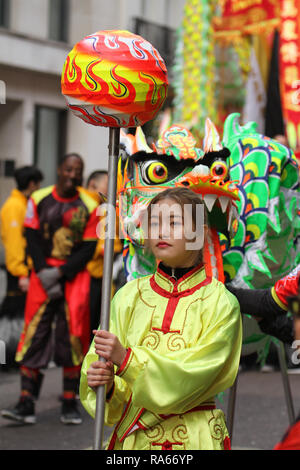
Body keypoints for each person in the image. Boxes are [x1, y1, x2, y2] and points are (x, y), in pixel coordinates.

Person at [80, 187, 242, 450]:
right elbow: (100, 379)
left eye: (174, 223)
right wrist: (106, 384)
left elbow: (197, 373)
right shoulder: (128, 296)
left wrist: (127, 361)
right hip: (134, 440)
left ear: (199, 233)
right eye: (153, 223)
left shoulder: (220, 303)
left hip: (194, 438)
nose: (160, 232)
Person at [1, 153, 98, 425]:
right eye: (68, 169)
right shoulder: (38, 198)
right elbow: (30, 235)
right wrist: (43, 271)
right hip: (42, 276)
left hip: (73, 278)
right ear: (59, 169)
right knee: (34, 335)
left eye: (78, 171)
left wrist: (60, 273)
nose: (72, 174)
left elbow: (89, 247)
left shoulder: (89, 204)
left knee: (73, 337)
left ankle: (69, 402)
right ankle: (25, 402)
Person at [0, 166, 43, 367]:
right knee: (10, 319)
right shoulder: (15, 206)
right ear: (32, 184)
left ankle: (12, 358)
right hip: (18, 273)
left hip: (22, 271)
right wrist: (21, 273)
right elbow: (15, 245)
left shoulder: (21, 204)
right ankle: (7, 359)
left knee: (16, 318)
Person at [83, 170, 123, 337]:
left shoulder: (106, 207)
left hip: (104, 272)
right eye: (109, 184)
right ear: (94, 185)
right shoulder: (87, 207)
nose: (113, 189)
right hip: (87, 273)